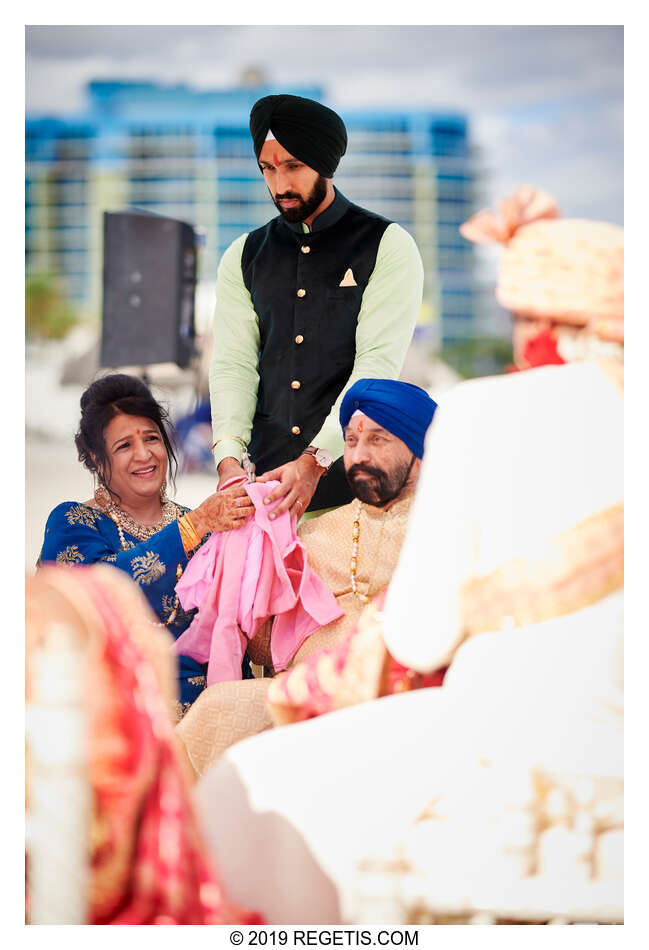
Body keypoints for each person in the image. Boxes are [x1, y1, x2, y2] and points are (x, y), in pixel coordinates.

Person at [193, 190, 623, 924]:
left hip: (503, 742)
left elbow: (420, 634)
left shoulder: (486, 412)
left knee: (250, 791)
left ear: (538, 320)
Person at [175, 378, 438, 775]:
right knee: (219, 707)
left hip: (404, 705)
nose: (359, 455)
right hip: (303, 705)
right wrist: (248, 553)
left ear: (420, 449)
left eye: (378, 440)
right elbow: (264, 652)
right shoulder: (308, 538)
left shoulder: (445, 533)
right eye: (350, 442)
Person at [209, 93, 424, 521]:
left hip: (357, 495)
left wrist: (315, 460)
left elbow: (376, 367)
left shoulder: (386, 245)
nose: (280, 186)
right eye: (268, 169)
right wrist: (229, 457)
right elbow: (233, 364)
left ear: (324, 164)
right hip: (262, 498)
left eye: (293, 166)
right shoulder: (243, 254)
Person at [26, 562, 262, 924]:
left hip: (192, 695)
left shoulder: (110, 592)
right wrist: (191, 529)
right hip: (130, 721)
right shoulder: (79, 540)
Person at [38, 373, 255, 720]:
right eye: (124, 446)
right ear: (96, 457)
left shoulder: (209, 524)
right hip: (123, 719)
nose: (144, 454)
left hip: (215, 713)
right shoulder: (74, 523)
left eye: (152, 438)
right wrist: (194, 526)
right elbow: (99, 594)